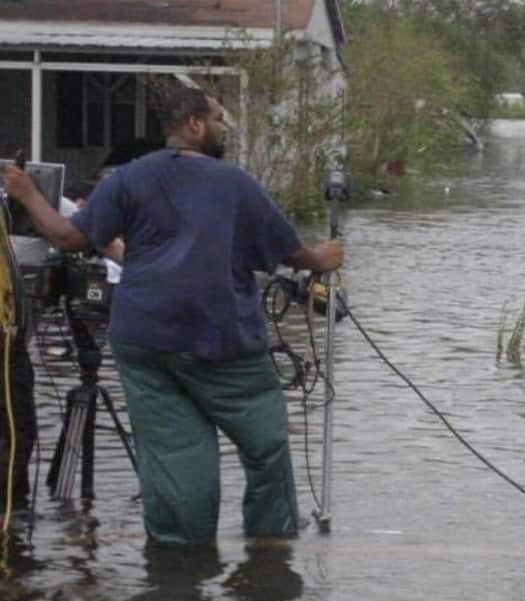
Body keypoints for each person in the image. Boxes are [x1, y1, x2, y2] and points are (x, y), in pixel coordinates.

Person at [2, 86, 343, 546]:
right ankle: (270, 554)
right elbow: (293, 253)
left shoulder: (127, 179)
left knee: (177, 458)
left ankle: (177, 574)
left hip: (145, 343)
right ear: (196, 125)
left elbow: (66, 237)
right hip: (222, 344)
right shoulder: (235, 184)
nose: (224, 129)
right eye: (220, 120)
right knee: (265, 442)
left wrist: (25, 193)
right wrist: (326, 256)